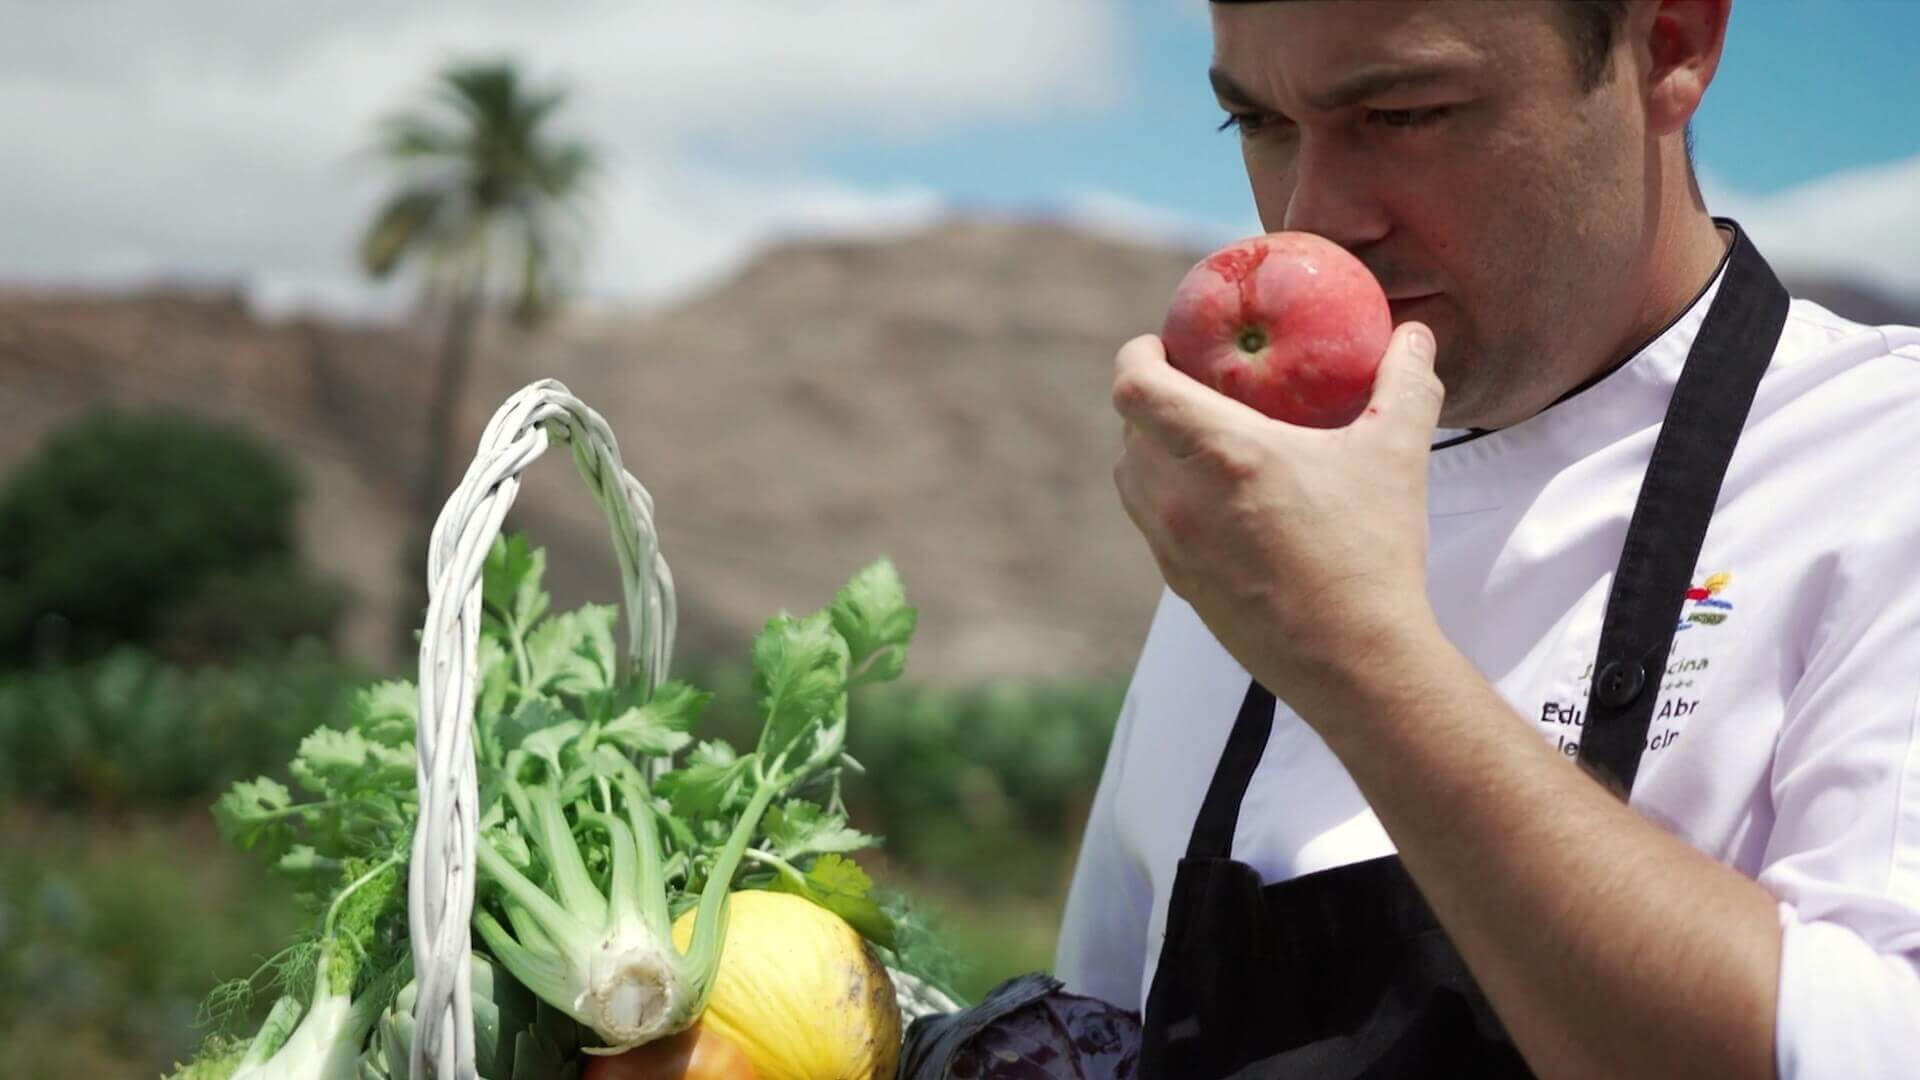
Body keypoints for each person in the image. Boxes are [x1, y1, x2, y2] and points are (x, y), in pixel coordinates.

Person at [1054, 1, 1920, 1077]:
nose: (1310, 220)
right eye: (1258, 125)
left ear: (1672, 45)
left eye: (1404, 114)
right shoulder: (1250, 520)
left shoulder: (1886, 465)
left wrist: (1358, 655)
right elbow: (1092, 1033)